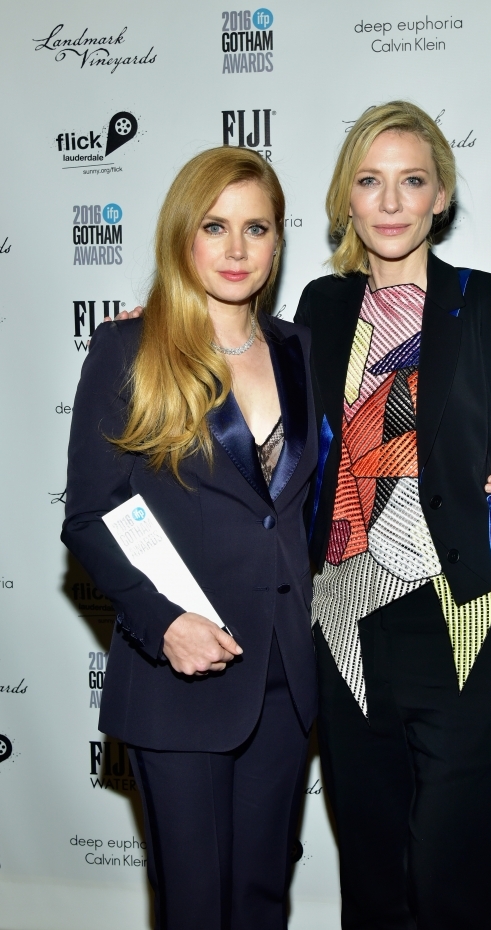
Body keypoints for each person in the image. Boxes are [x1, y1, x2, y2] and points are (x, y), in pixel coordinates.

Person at [294, 101, 491, 930]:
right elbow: (264, 407)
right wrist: (150, 331)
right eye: (369, 181)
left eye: (411, 181)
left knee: (454, 889)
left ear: (440, 196)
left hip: (467, 626)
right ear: (346, 198)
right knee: (373, 889)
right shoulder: (321, 307)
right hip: (348, 626)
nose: (390, 202)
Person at [61, 147, 319, 930]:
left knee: (262, 902)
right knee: (196, 909)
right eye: (215, 226)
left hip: (284, 674)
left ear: (278, 241)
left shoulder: (300, 350)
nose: (237, 249)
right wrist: (165, 622)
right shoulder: (130, 349)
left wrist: (485, 478)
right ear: (183, 234)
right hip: (180, 676)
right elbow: (90, 516)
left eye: (256, 228)